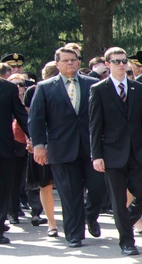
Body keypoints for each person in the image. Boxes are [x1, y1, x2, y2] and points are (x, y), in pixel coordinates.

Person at [28, 46, 107, 247]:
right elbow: (36, 119)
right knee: (70, 193)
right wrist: (38, 145)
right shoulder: (45, 87)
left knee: (98, 187)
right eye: (65, 60)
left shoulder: (93, 84)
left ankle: (90, 214)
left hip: (91, 147)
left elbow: (103, 115)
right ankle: (74, 234)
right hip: (61, 147)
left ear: (79, 62)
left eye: (73, 60)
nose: (70, 63)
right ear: (58, 64)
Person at [88, 47, 142, 256]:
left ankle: (125, 221)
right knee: (118, 200)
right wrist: (96, 155)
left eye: (123, 61)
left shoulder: (137, 89)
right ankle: (127, 240)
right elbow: (95, 125)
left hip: (138, 152)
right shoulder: (99, 89)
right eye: (116, 61)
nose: (121, 64)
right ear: (107, 64)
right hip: (112, 154)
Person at [24, 63, 59, 237]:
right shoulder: (34, 91)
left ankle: (59, 222)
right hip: (43, 143)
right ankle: (51, 223)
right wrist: (34, 142)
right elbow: (32, 118)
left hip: (62, 142)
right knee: (45, 183)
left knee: (66, 184)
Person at [0, 72, 30, 244]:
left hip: (4, 148)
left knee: (3, 189)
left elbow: (21, 115)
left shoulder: (8, 88)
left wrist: (35, 137)